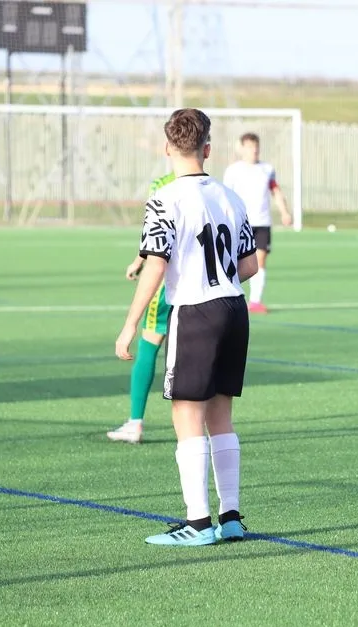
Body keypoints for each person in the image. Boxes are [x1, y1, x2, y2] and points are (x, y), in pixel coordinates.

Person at [115, 108, 259, 546]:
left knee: (186, 413)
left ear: (167, 149)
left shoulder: (165, 199)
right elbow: (250, 265)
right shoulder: (230, 197)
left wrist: (130, 323)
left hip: (195, 312)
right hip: (234, 308)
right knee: (221, 414)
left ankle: (198, 523)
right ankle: (230, 517)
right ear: (207, 149)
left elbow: (156, 265)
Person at [107, 173, 175, 444]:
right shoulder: (205, 184)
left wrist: (139, 260)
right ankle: (200, 427)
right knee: (189, 355)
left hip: (164, 282)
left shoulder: (161, 184)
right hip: (198, 284)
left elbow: (155, 233)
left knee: (149, 345)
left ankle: (135, 422)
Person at [222, 132, 292, 314]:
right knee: (233, 261)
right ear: (242, 149)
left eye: (256, 146)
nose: (254, 150)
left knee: (260, 261)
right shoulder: (233, 170)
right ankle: (227, 296)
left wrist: (284, 212)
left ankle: (255, 301)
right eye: (250, 147)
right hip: (239, 222)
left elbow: (275, 191)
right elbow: (224, 196)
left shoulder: (267, 169)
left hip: (262, 223)